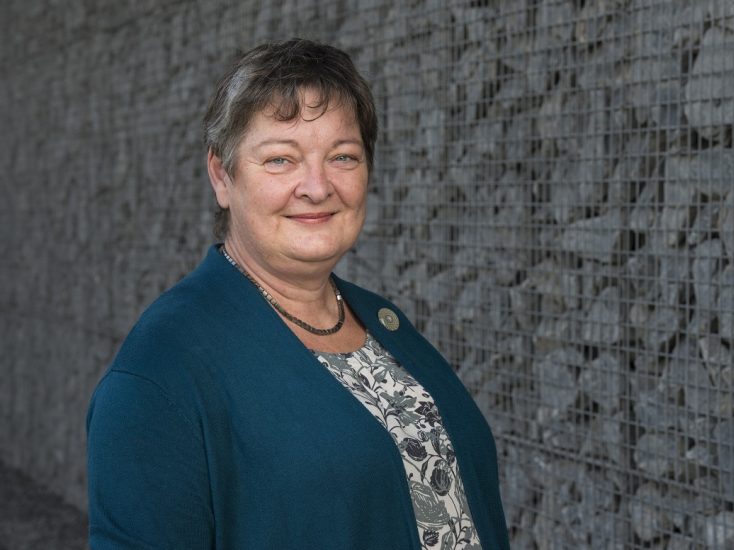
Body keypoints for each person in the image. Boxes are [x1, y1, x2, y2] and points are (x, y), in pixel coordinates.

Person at [86, 38, 510, 549]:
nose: (317, 186)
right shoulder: (161, 372)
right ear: (222, 176)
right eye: (281, 160)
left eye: (343, 156)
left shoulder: (381, 319)